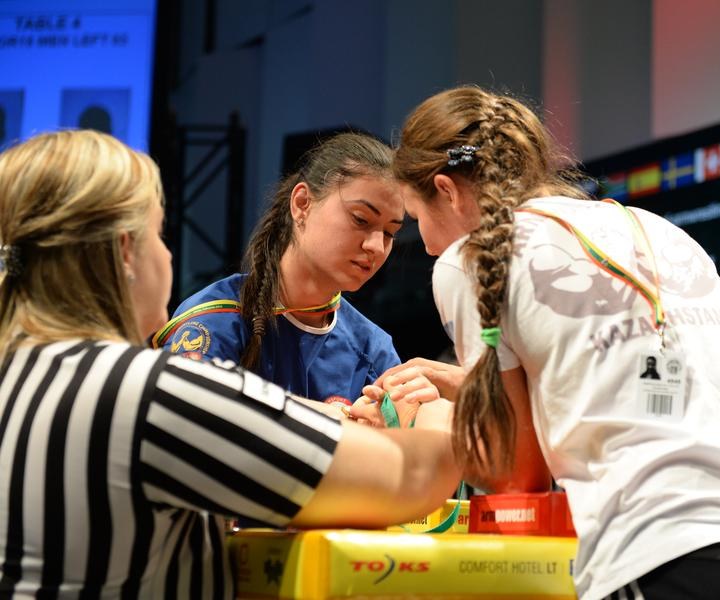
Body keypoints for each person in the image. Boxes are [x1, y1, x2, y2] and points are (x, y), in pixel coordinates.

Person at [390, 86, 720, 599]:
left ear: (447, 189)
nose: (429, 244)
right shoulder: (659, 231)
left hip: (681, 558)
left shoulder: (467, 259)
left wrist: (416, 427)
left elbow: (515, 475)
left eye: (416, 219)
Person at [0, 130, 459, 597]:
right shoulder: (149, 391)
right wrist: (444, 415)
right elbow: (411, 477)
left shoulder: (17, 375)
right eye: (159, 233)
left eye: (389, 232)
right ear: (124, 252)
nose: (169, 251)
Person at [153, 133, 410, 407]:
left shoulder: (374, 350)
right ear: (302, 204)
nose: (376, 247)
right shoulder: (215, 319)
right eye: (360, 219)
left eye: (390, 233)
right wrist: (340, 423)